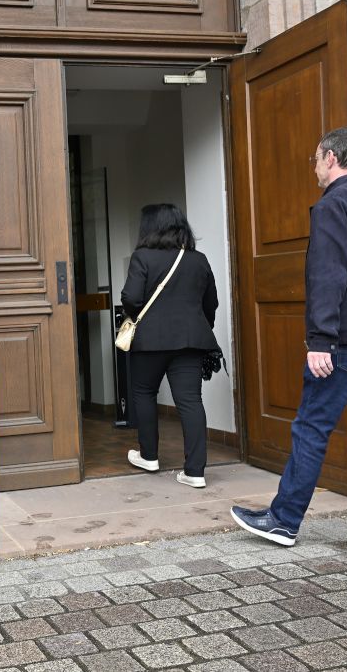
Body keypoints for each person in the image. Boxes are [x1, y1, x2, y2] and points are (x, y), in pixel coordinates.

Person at [231, 127, 347, 557]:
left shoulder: (333, 206)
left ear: (332, 158)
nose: (314, 167)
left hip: (346, 344)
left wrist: (320, 340)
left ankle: (283, 520)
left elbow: (327, 276)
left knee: (312, 428)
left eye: (316, 158)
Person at [121, 203, 219, 488]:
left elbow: (131, 298)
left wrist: (137, 315)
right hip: (190, 340)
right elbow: (211, 302)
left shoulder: (142, 257)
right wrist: (198, 327)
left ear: (149, 228)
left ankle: (149, 456)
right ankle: (195, 472)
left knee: (144, 393)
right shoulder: (198, 260)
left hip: (150, 340)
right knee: (190, 401)